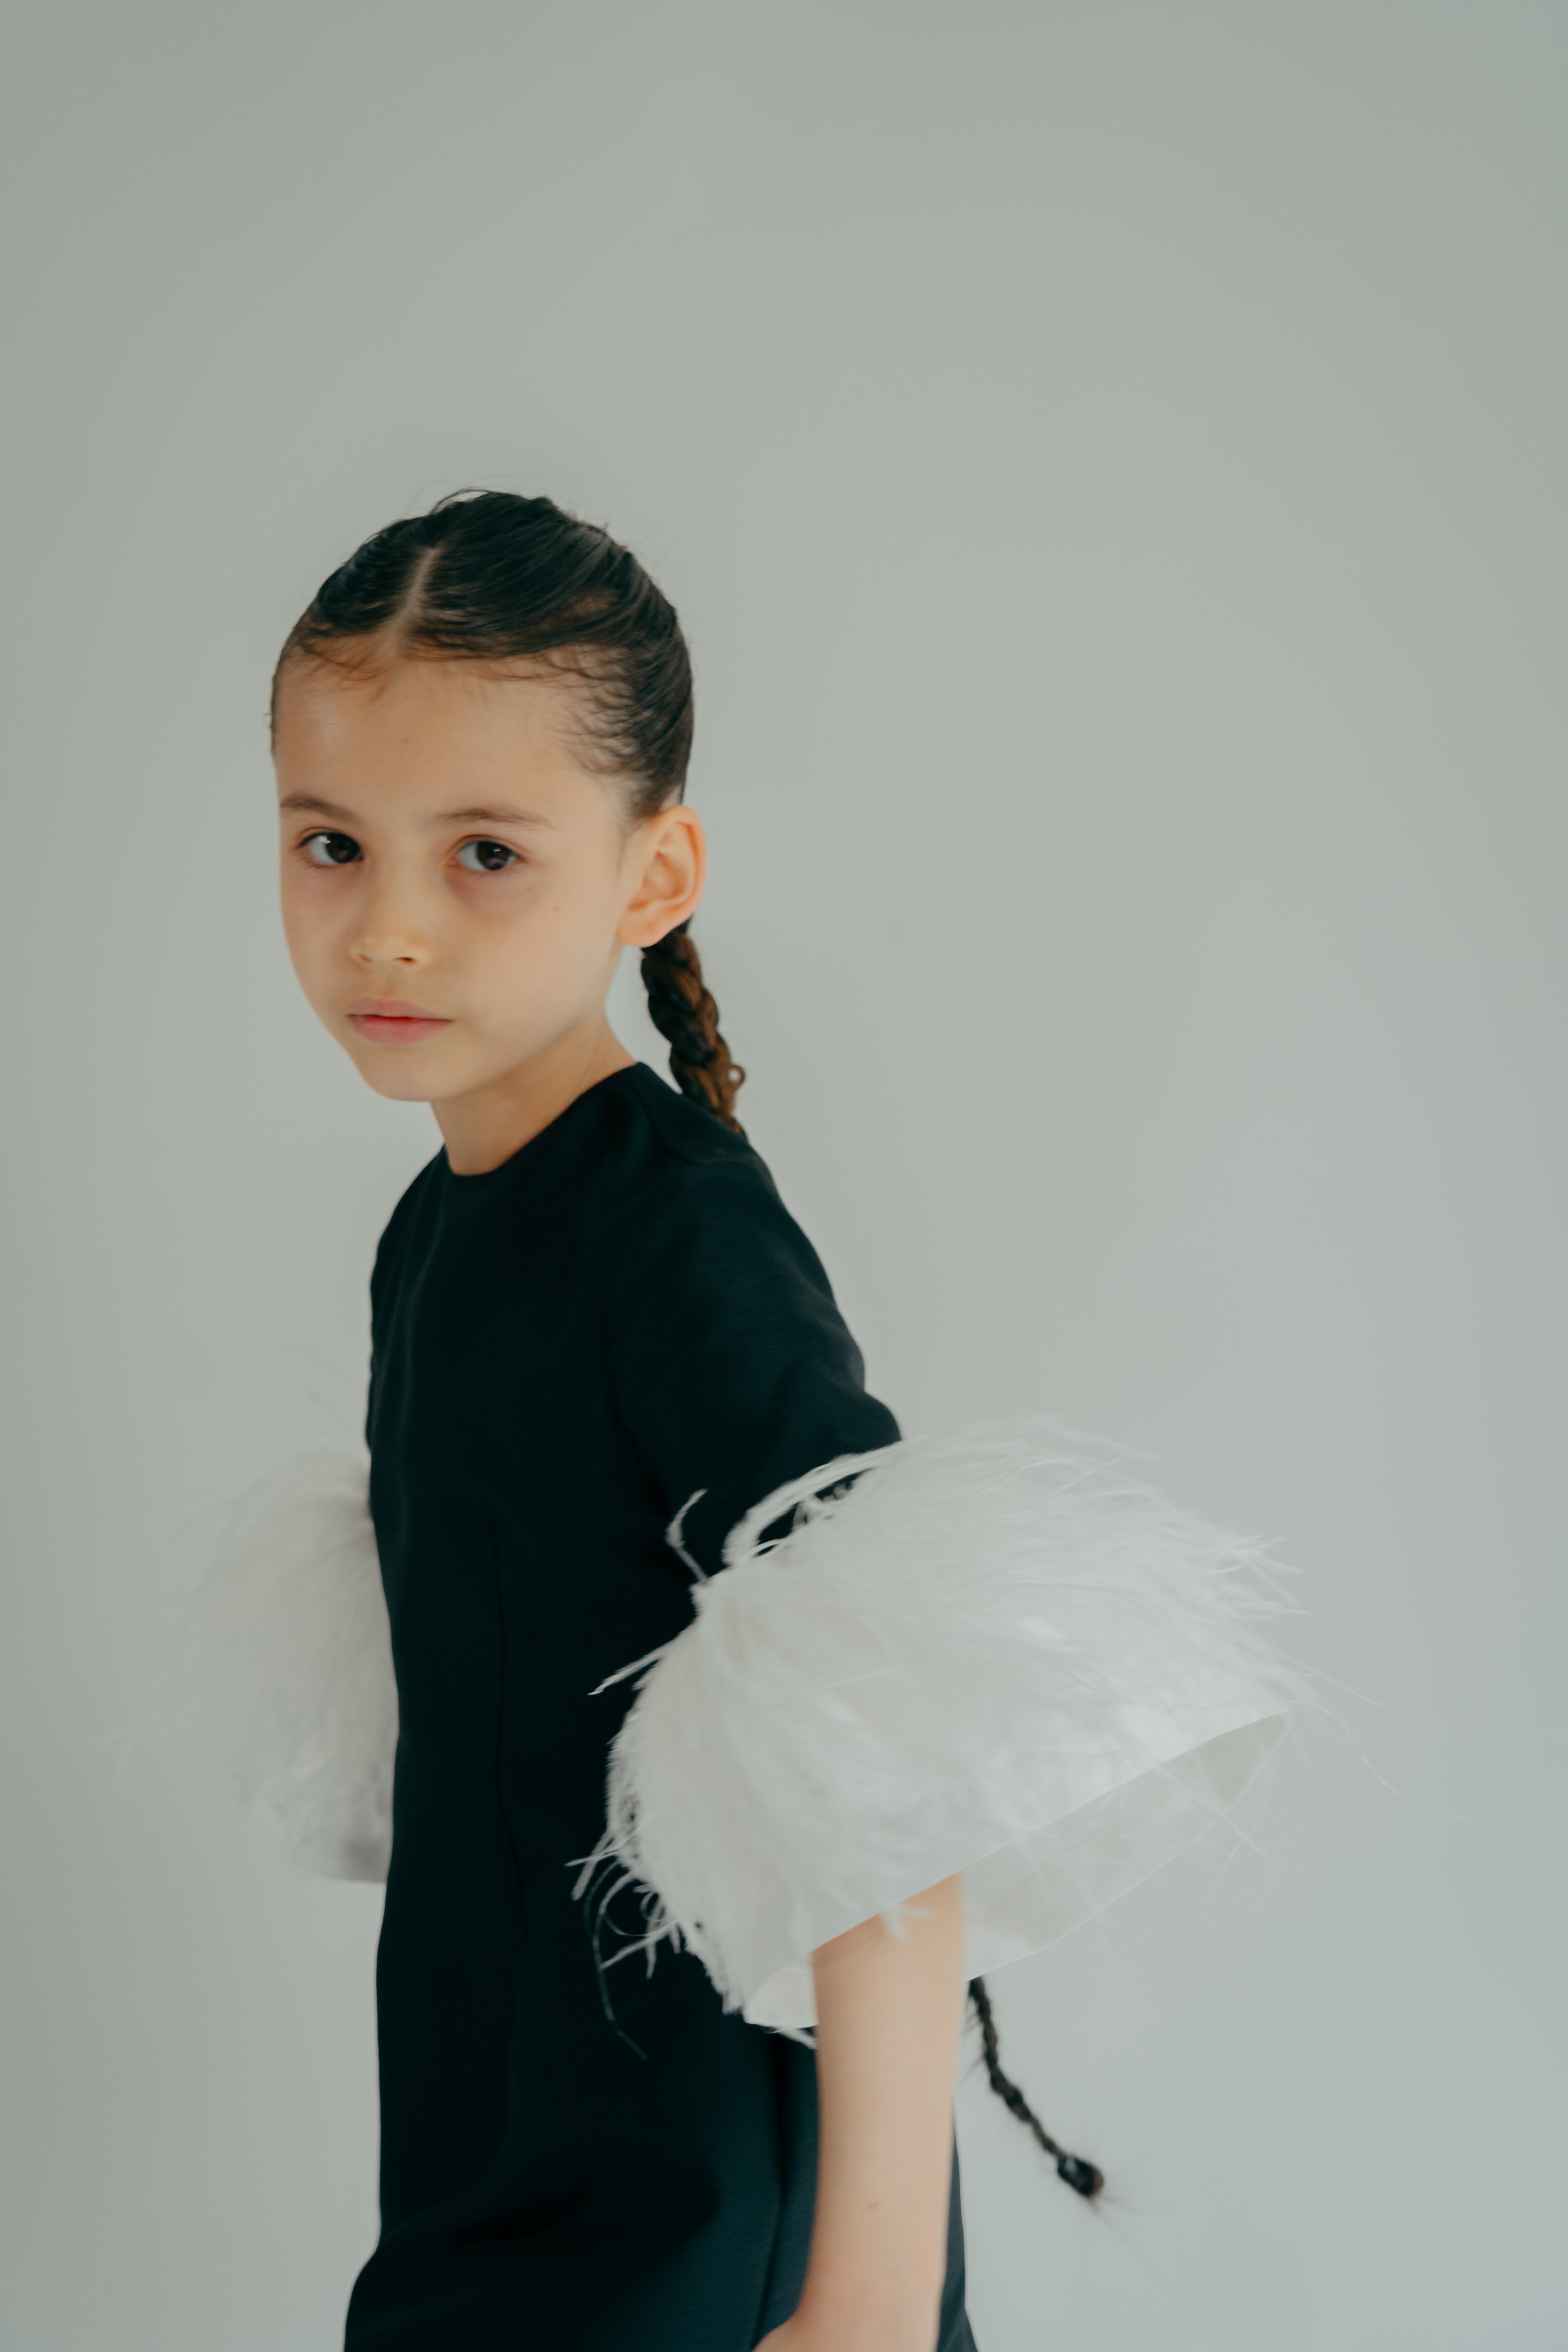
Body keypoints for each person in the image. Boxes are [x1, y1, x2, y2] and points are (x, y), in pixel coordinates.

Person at [221, 489, 1302, 2351]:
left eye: (484, 853)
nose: (386, 928)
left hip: (709, 2228)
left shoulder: (673, 1231)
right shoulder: (439, 1234)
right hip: (500, 2172)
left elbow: (881, 1759)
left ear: (650, 875)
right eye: (333, 844)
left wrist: (868, 2297)